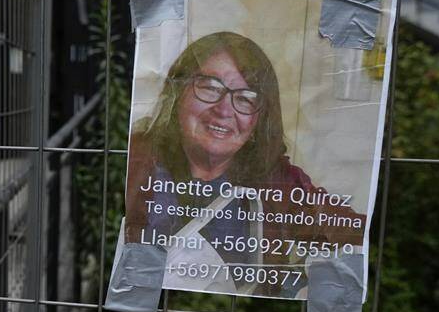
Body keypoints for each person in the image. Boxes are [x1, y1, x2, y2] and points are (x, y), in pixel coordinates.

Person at [126, 31, 365, 296]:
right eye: (210, 87)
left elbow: (355, 231)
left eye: (245, 98)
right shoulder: (136, 157)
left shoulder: (277, 182)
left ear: (259, 121)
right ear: (178, 91)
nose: (224, 109)